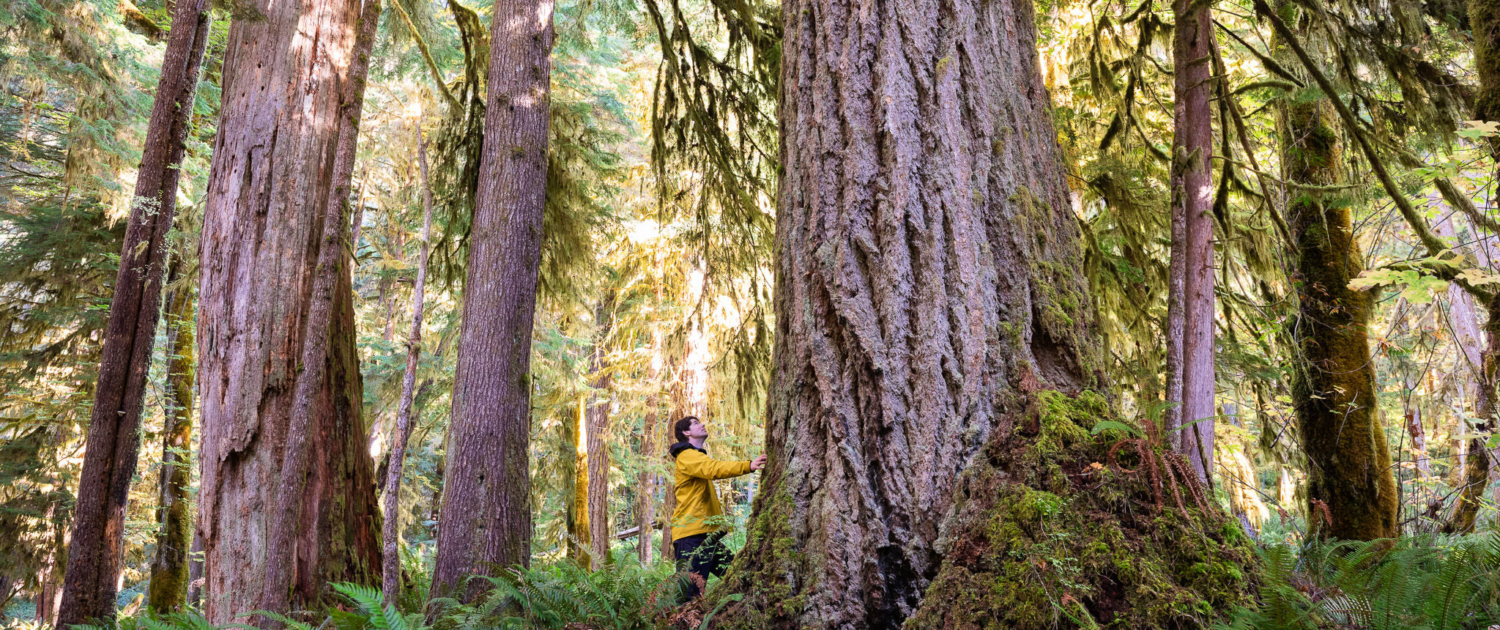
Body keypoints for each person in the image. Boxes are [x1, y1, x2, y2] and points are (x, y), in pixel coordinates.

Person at [668, 415, 766, 599]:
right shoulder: (687, 456)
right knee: (691, 597)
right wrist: (748, 466)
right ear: (686, 432)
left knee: (738, 578)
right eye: (696, 424)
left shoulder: (694, 457)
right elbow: (713, 469)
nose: (702, 424)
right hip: (691, 536)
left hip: (704, 535)